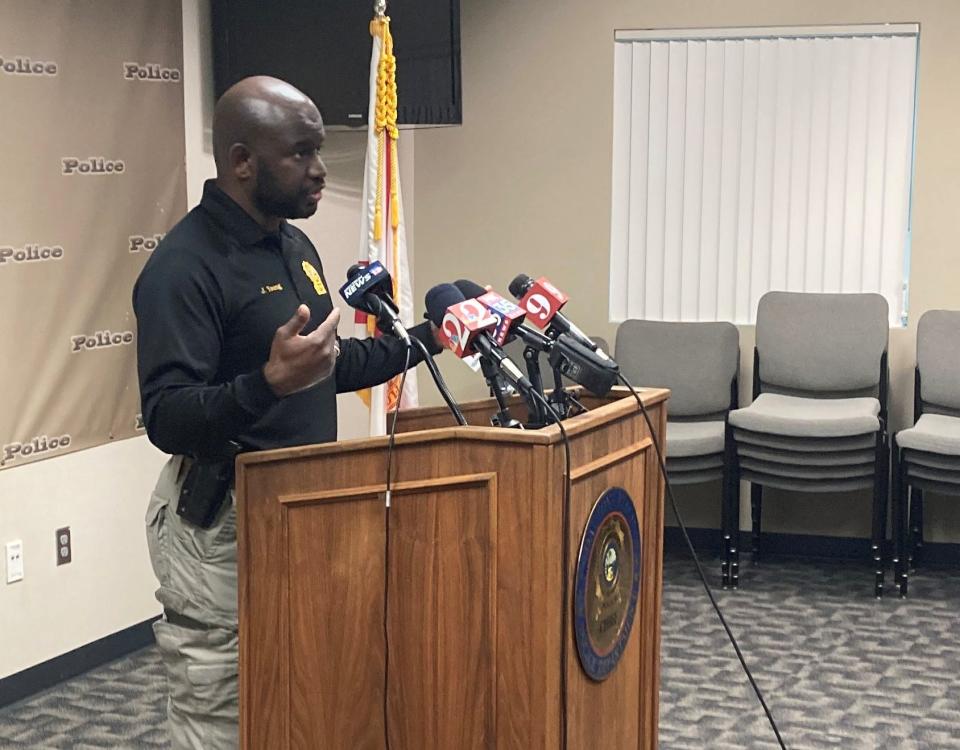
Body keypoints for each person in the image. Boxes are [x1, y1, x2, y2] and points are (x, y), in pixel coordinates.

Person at [132, 76, 440, 749]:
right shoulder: (183, 268)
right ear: (244, 161)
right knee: (222, 717)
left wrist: (427, 338)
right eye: (300, 154)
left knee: (300, 694)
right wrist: (266, 383)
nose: (320, 171)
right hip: (222, 525)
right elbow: (167, 417)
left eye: (318, 151)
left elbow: (325, 369)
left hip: (303, 509)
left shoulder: (293, 247)